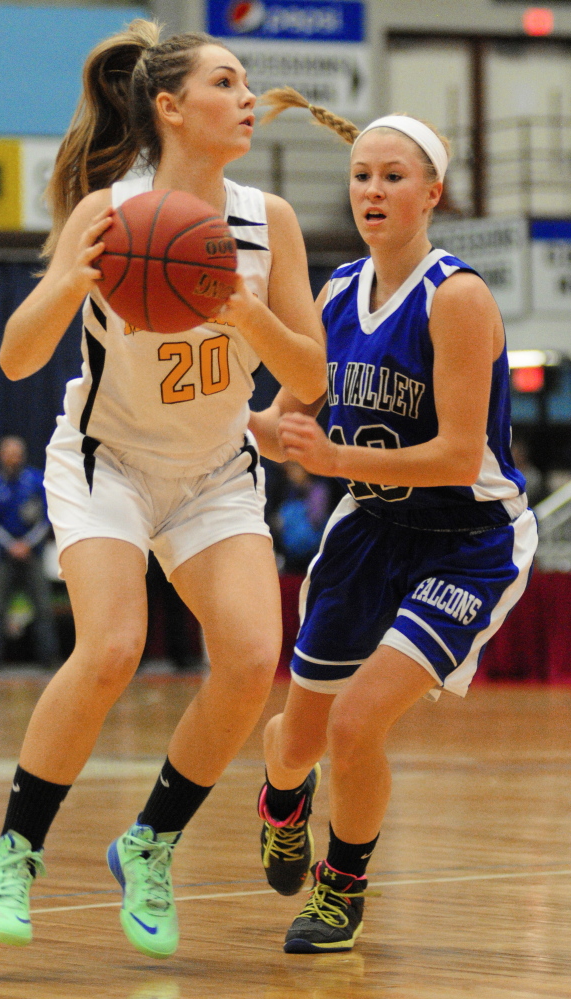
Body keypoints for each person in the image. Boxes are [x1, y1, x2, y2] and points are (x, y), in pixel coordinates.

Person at [0, 22, 325, 957]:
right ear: (170, 108)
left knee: (251, 660)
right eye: (227, 80)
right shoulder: (107, 212)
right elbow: (15, 356)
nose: (248, 96)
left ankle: (150, 843)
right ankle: (11, 853)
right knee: (115, 644)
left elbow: (311, 374)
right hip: (106, 461)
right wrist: (71, 280)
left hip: (212, 473)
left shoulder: (267, 219)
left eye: (248, 82)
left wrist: (240, 305)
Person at [250, 88, 538, 953]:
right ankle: (280, 799)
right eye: (360, 176)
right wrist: (224, 405)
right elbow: (279, 416)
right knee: (295, 737)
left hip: (468, 538)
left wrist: (335, 460)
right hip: (369, 530)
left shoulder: (456, 299)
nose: (371, 191)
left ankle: (341, 890)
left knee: (355, 721)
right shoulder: (333, 293)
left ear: (429, 194)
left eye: (391, 177)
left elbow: (456, 454)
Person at [0, 436, 59, 668]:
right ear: (0, 455)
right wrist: (10, 545)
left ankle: (49, 657)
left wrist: (27, 544)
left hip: (33, 553)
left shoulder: (35, 480)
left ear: (22, 455)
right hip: (3, 556)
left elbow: (47, 517)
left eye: (16, 453)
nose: (13, 458)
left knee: (43, 606)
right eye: (8, 453)